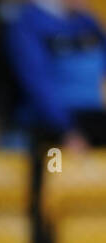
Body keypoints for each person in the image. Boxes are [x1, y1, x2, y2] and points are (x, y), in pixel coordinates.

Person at [7, 0, 106, 148]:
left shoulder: (87, 21)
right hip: (52, 127)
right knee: (57, 168)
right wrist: (66, 129)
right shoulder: (28, 23)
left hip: (95, 118)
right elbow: (37, 82)